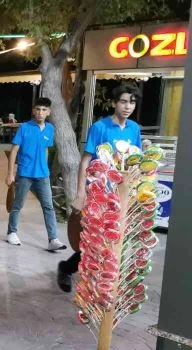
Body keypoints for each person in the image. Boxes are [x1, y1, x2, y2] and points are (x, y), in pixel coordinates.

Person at [57, 85, 142, 292]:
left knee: (114, 240)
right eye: (123, 102)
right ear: (114, 103)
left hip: (122, 195)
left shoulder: (134, 129)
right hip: (100, 195)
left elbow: (136, 160)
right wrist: (80, 193)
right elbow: (85, 161)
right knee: (95, 239)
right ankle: (68, 268)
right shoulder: (100, 127)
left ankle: (104, 282)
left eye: (131, 102)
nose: (128, 106)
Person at [5, 98, 67, 251]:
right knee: (17, 205)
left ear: (49, 112)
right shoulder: (24, 127)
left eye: (44, 110)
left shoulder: (50, 129)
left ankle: (53, 239)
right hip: (25, 173)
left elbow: (45, 149)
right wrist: (10, 173)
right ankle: (11, 232)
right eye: (38, 109)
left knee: (48, 206)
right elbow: (14, 151)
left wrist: (45, 167)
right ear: (33, 111)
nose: (40, 112)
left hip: (42, 175)